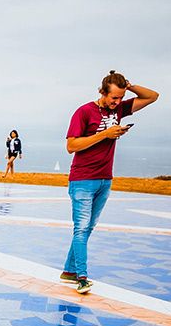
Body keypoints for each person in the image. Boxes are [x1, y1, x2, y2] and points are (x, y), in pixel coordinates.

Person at [61, 70, 158, 294]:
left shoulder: (120, 109)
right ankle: (82, 277)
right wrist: (105, 134)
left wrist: (129, 86)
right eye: (114, 97)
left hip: (105, 178)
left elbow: (152, 96)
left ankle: (68, 271)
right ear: (102, 92)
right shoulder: (84, 112)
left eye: (121, 98)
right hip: (83, 179)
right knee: (81, 228)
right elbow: (71, 146)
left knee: (88, 228)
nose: (118, 102)